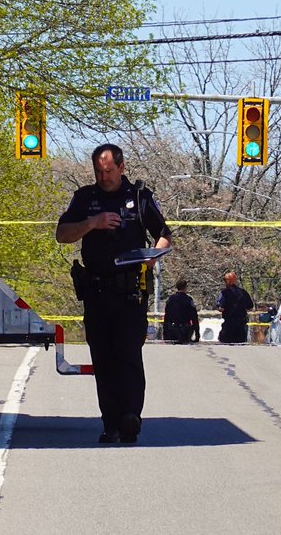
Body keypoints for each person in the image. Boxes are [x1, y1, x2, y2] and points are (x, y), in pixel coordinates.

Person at [56, 143, 172, 445]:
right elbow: (62, 235)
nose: (103, 176)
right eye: (98, 171)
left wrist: (153, 256)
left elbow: (164, 234)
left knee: (128, 355)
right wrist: (91, 223)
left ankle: (131, 416)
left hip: (131, 293)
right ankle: (110, 424)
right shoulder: (85, 198)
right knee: (104, 360)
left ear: (121, 167)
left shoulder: (138, 197)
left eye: (108, 171)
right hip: (96, 291)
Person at [216, 272, 254, 344]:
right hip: (241, 325)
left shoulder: (224, 293)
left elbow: (220, 307)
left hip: (229, 325)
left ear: (230, 281)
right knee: (240, 345)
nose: (225, 282)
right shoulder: (243, 292)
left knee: (225, 344)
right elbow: (250, 307)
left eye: (225, 280)